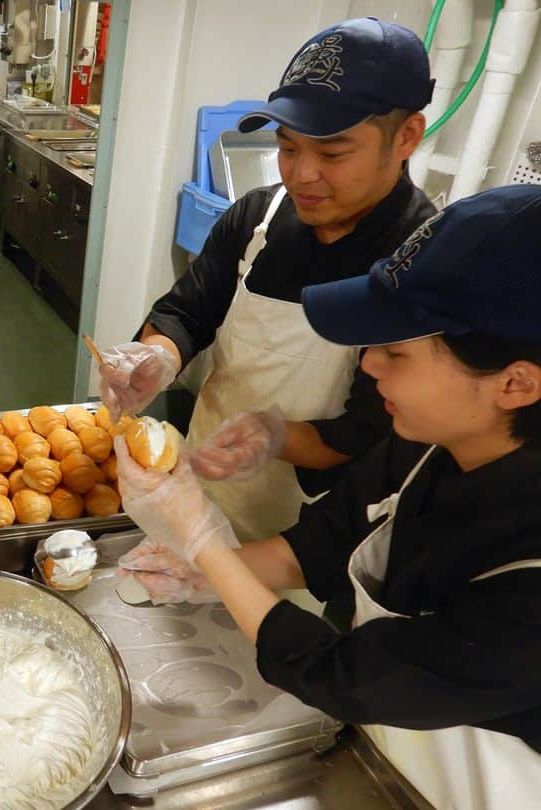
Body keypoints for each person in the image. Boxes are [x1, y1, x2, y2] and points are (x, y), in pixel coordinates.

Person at [114, 184, 541, 809]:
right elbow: (320, 544)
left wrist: (207, 547)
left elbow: (343, 673)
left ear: (515, 383)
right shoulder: (428, 443)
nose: (368, 367)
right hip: (384, 762)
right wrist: (193, 564)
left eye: (396, 352)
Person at [96, 18, 436, 543]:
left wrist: (273, 437)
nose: (300, 174)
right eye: (288, 146)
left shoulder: (425, 262)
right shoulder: (257, 217)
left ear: (406, 136)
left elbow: (373, 432)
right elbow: (188, 312)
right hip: (196, 484)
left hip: (305, 527)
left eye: (332, 153)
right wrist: (157, 357)